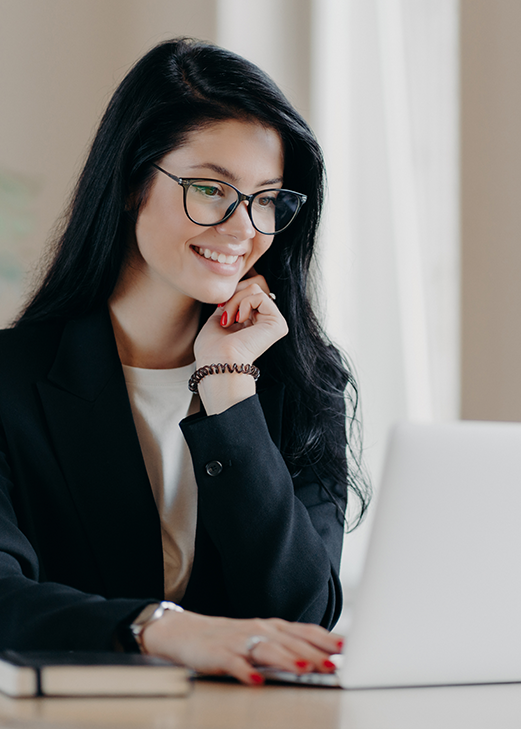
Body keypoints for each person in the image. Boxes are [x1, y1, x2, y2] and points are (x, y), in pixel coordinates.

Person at [0, 38, 369, 685]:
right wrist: (161, 629)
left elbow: (300, 613)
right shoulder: (11, 379)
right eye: (210, 189)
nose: (242, 228)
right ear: (129, 183)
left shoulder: (303, 382)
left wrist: (228, 384)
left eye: (267, 199)